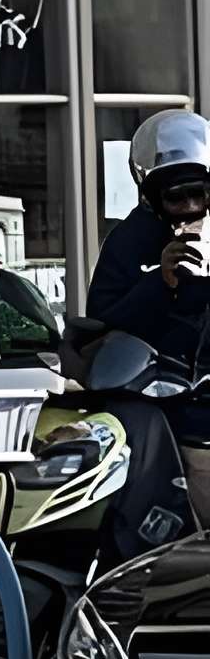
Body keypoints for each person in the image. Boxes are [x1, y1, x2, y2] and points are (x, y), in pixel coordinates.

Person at [85, 106, 210, 557]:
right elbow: (100, 323)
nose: (191, 209)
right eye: (178, 198)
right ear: (153, 196)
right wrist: (159, 282)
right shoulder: (130, 241)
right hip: (162, 407)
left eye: (200, 194)